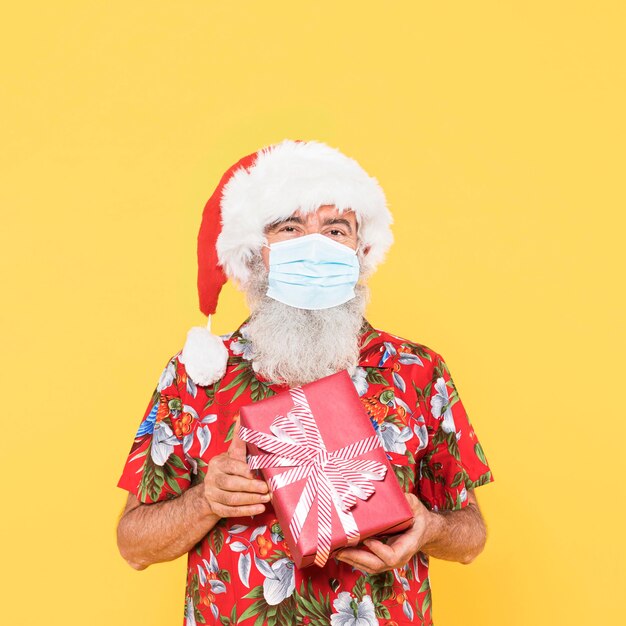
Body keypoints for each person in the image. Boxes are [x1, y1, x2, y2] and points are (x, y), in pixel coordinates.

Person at [116, 139, 495, 626]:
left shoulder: (416, 371)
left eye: (335, 229)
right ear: (256, 252)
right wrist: (204, 501)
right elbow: (133, 544)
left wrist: (430, 528)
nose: (313, 246)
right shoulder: (197, 376)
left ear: (361, 251)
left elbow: (472, 535)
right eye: (290, 227)